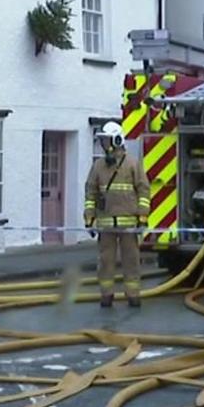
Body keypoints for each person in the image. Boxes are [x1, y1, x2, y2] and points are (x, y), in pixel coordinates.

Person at [83, 121, 150, 308]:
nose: (104, 145)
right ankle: (106, 295)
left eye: (106, 141)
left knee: (131, 260)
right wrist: (89, 217)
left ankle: (133, 294)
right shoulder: (98, 166)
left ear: (117, 140)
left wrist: (142, 216)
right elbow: (91, 192)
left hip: (129, 224)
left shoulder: (132, 164)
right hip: (105, 224)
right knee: (105, 261)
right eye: (102, 141)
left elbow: (144, 190)